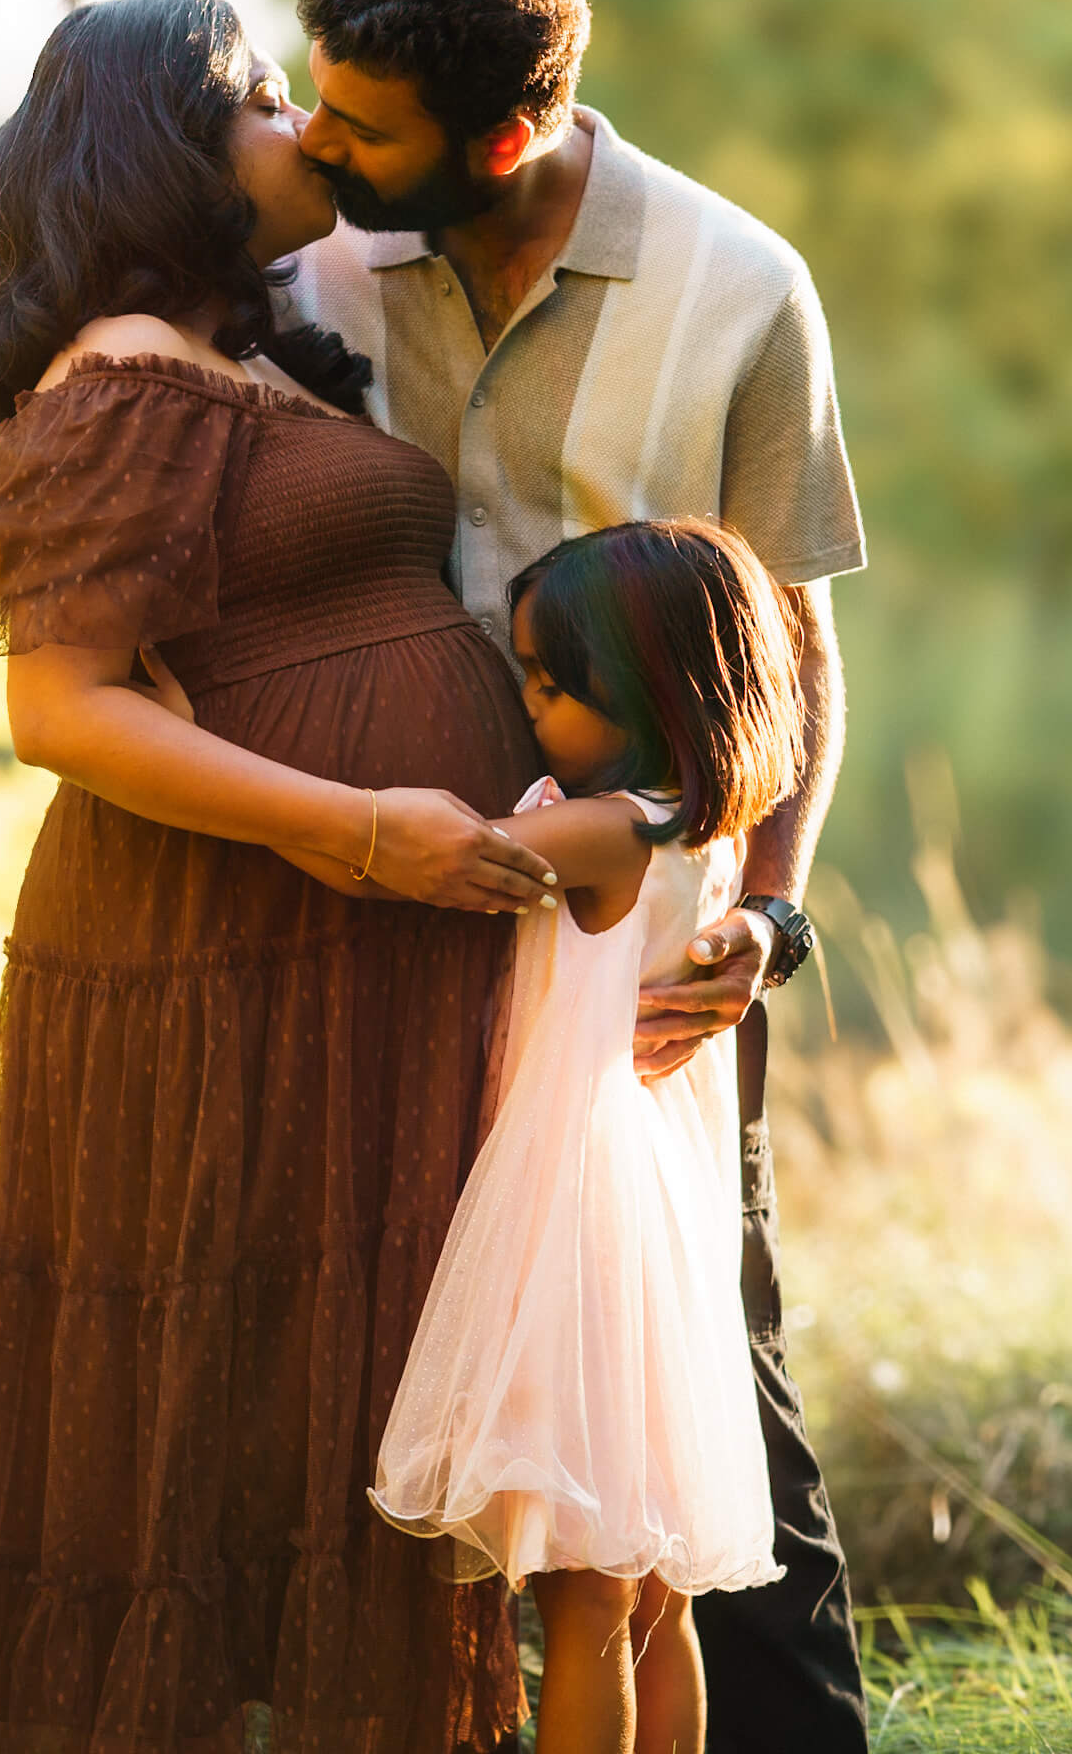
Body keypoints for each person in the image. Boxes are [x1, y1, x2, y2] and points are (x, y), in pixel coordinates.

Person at [0, 0, 564, 1754]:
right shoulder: (117, 370)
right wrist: (357, 825)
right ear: (168, 150)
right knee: (220, 1364)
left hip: (342, 939)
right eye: (267, 99)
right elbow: (64, 710)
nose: (308, 133)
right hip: (236, 930)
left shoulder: (237, 356)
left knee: (332, 1359)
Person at [282, 0, 869, 1752]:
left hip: (642, 933)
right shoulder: (320, 265)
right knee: (401, 1327)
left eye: (361, 127)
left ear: (507, 132)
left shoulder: (736, 286)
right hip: (378, 902)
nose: (320, 145)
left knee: (692, 1351)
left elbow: (793, 647)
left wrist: (763, 920)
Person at [369, 520, 807, 1754]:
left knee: (584, 1602)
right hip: (657, 1220)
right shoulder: (703, 826)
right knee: (650, 1597)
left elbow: (434, 858)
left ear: (646, 692)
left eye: (550, 684)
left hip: (577, 1225)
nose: (526, 703)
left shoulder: (611, 829)